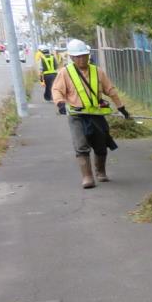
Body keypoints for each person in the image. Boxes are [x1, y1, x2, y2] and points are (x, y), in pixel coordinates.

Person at [51, 39, 131, 189]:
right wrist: (60, 103)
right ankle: (87, 177)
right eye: (78, 56)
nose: (82, 59)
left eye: (84, 55)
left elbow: (110, 90)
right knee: (81, 145)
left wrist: (121, 107)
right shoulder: (65, 73)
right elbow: (57, 90)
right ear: (72, 58)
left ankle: (101, 172)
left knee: (101, 144)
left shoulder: (97, 71)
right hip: (77, 115)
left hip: (96, 114)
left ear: (88, 55)